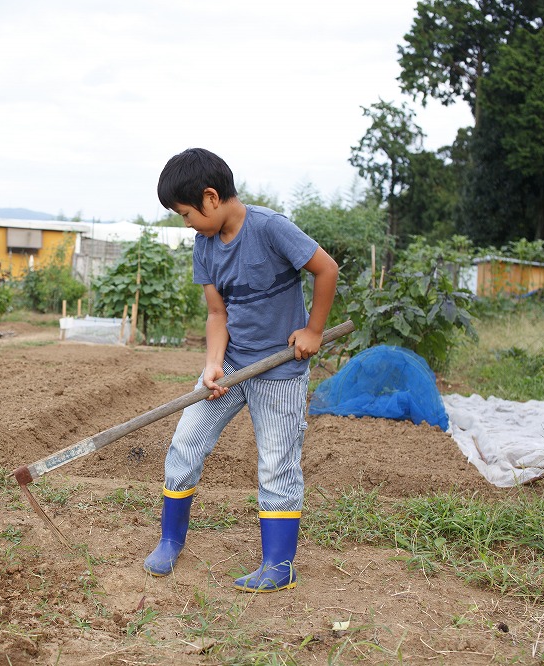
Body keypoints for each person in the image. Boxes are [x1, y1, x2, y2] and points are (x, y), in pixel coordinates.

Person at [143, 148, 339, 592]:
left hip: (279, 371)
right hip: (231, 366)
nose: (186, 222)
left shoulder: (270, 229)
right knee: (185, 444)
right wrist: (213, 365)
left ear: (211, 198)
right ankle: (170, 541)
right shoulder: (204, 246)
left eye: (186, 213)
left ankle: (278, 566)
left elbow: (325, 269)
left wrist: (313, 329)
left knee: (276, 463)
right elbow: (217, 314)